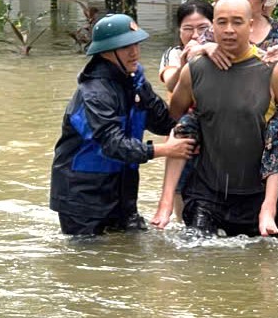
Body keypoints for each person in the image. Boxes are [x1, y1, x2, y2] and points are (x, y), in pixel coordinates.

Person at [165, 0, 278, 237]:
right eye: (221, 22)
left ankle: (268, 207)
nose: (229, 30)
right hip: (206, 190)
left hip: (256, 194)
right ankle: (165, 205)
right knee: (195, 260)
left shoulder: (273, 70)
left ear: (251, 25)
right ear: (212, 27)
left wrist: (257, 139)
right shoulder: (196, 69)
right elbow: (174, 115)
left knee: (256, 266)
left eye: (237, 22)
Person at [49, 13, 197, 236]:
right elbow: (112, 144)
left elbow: (164, 122)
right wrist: (163, 150)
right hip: (82, 198)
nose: (135, 52)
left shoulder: (133, 80)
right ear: (106, 51)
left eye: (136, 44)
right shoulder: (94, 93)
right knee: (88, 261)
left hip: (121, 192)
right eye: (126, 46)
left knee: (132, 253)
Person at [149, 0, 213, 227]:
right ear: (179, 31)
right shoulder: (173, 53)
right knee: (181, 195)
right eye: (188, 29)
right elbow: (170, 83)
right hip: (181, 137)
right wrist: (188, 62)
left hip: (213, 135)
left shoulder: (218, 52)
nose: (195, 35)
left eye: (203, 28)